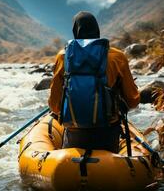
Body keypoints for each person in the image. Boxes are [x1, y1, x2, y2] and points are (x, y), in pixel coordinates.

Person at [48, 11, 140, 153]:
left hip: (74, 131)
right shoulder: (117, 56)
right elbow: (133, 100)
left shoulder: (63, 56)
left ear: (75, 30)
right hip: (107, 131)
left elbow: (54, 106)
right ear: (97, 29)